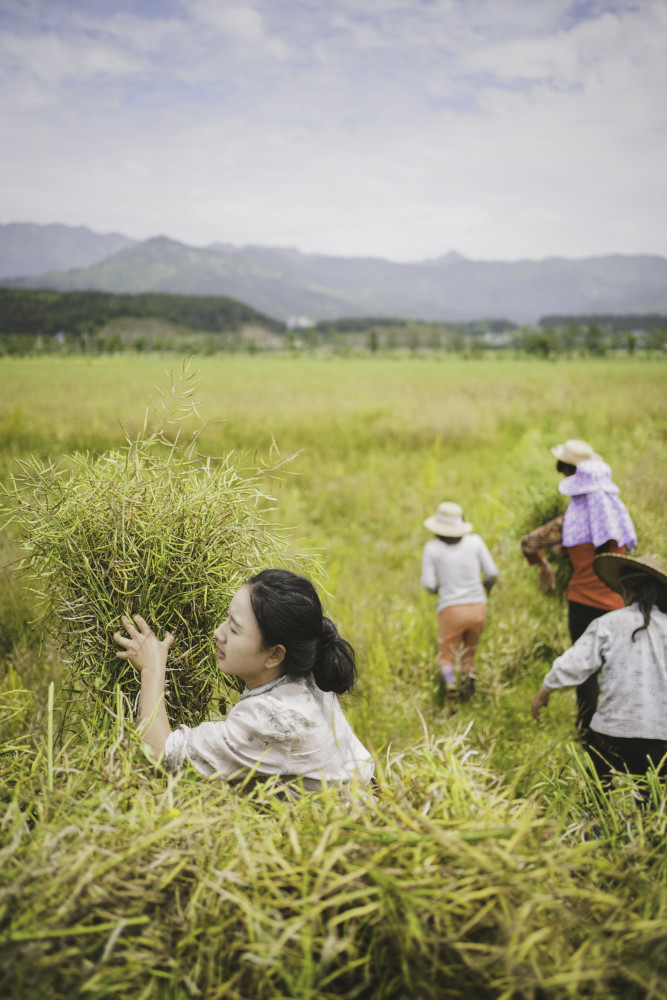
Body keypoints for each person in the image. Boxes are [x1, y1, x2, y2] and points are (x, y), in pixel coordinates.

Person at [114, 568, 374, 791]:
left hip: (335, 835)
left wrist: (152, 668)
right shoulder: (307, 666)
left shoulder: (271, 719)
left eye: (235, 629)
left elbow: (157, 754)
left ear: (274, 654)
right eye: (227, 619)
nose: (218, 632)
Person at [521, 439, 637, 739]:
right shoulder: (617, 512)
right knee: (616, 668)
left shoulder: (571, 518)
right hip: (618, 604)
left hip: (582, 603)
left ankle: (586, 730)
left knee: (585, 668)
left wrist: (544, 565)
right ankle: (620, 728)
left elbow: (528, 542)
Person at [531, 553, 667, 791]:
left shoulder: (609, 623)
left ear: (626, 590)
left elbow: (573, 663)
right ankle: (649, 825)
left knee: (597, 792)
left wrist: (545, 691)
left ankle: (592, 823)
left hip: (611, 736)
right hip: (660, 738)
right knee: (652, 800)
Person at [421, 501, 499, 703]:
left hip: (451, 609)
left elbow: (428, 584)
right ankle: (467, 693)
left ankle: (449, 683)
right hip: (478, 607)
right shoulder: (475, 542)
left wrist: (442, 589)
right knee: (469, 652)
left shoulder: (432, 548)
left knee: (446, 656)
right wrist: (485, 588)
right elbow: (492, 572)